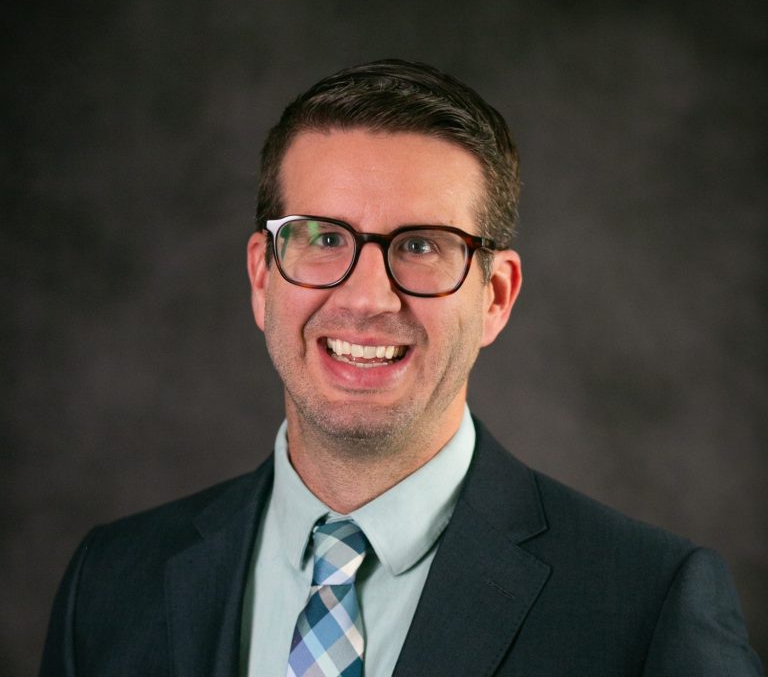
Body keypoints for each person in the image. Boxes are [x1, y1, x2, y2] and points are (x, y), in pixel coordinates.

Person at [40, 59, 762, 676]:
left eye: (420, 246)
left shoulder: (649, 606)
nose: (366, 298)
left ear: (496, 297)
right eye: (324, 238)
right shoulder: (110, 582)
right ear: (263, 277)